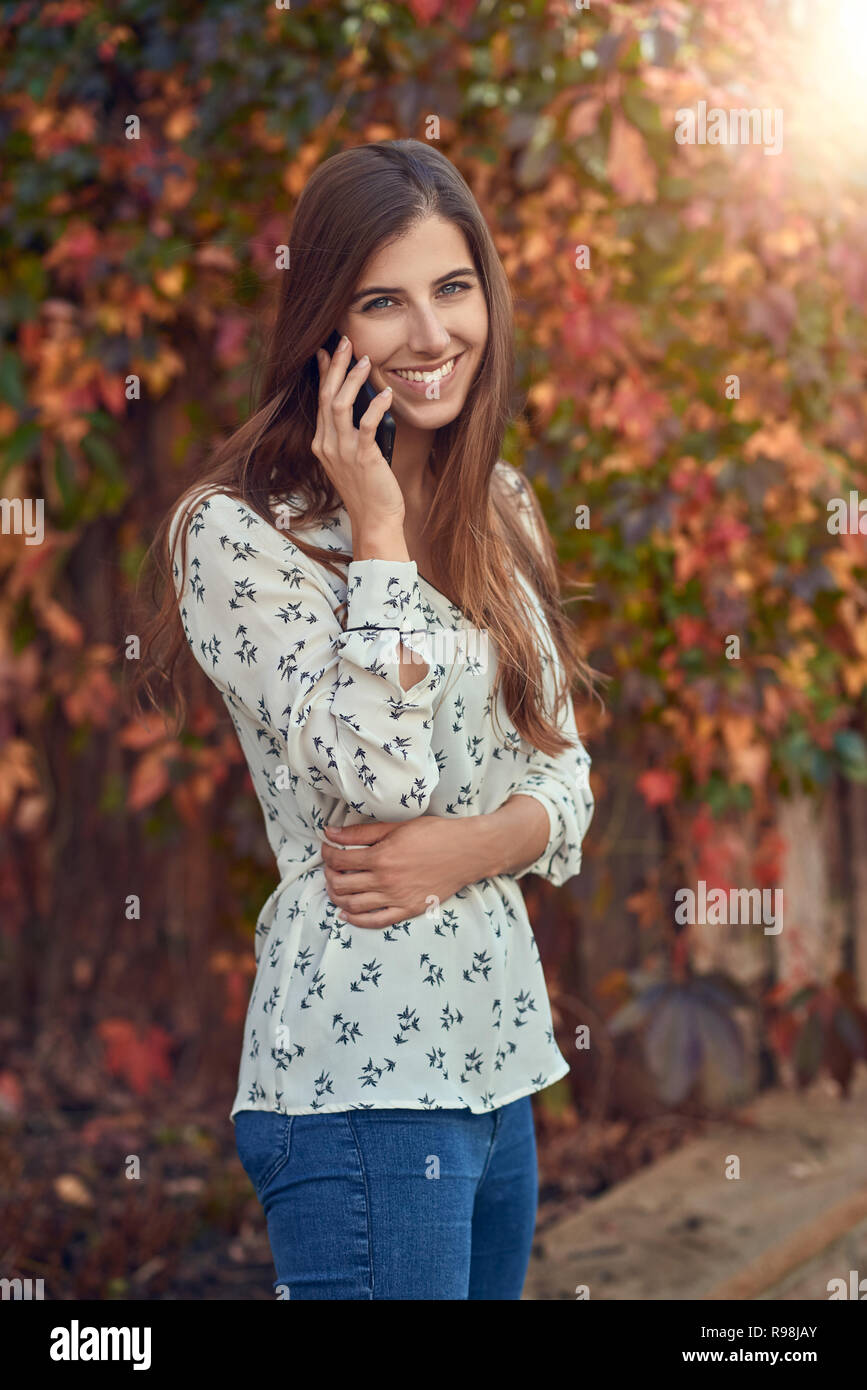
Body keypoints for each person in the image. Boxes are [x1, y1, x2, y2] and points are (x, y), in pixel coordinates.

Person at [144, 139, 598, 1299]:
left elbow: (565, 780)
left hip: (499, 1062)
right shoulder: (239, 535)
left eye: (454, 289)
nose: (433, 333)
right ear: (327, 324)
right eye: (384, 302)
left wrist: (478, 844)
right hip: (362, 1084)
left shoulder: (501, 502)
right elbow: (376, 779)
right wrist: (382, 540)